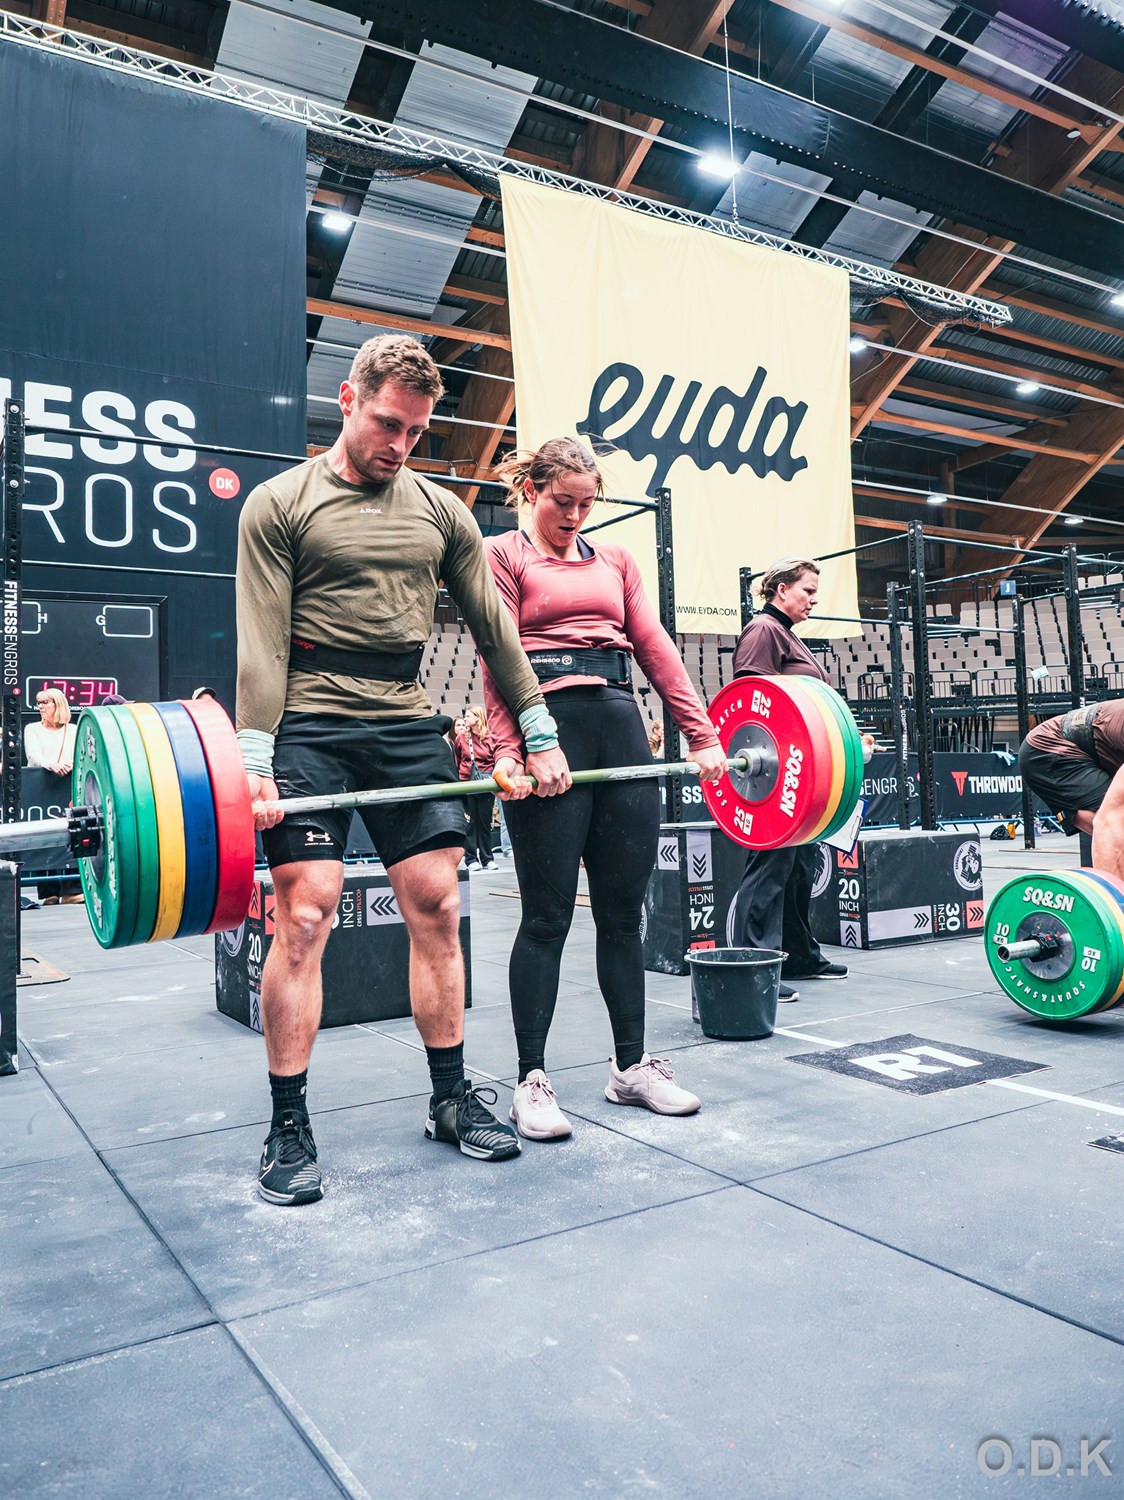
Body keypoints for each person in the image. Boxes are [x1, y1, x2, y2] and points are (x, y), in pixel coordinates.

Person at [236, 333, 570, 1206]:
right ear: (347, 400)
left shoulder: (442, 512)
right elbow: (262, 643)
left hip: (401, 715)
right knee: (304, 916)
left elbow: (495, 628)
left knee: (438, 905)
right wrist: (255, 756)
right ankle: (288, 1122)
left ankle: (450, 1099)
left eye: (417, 431)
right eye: (389, 423)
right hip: (308, 722)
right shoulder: (279, 503)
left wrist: (538, 731)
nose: (402, 443)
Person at [482, 437, 727, 1142]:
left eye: (587, 504)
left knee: (623, 916)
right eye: (563, 501)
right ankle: (530, 1079)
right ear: (530, 489)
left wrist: (701, 734)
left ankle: (630, 1068)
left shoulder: (615, 559)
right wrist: (513, 749)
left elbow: (654, 646)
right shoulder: (503, 554)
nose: (575, 515)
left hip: (620, 727)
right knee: (546, 917)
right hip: (546, 727)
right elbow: (499, 654)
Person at [729, 559, 849, 1001]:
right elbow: (751, 699)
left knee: (798, 868)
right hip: (776, 774)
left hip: (802, 769)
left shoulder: (787, 633)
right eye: (807, 591)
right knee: (770, 867)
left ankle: (798, 956)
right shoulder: (763, 629)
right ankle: (755, 964)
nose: (814, 600)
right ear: (781, 590)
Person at [1018, 700, 1124, 871]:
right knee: (1114, 824)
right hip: (1048, 750)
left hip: (1084, 749)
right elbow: (1106, 820)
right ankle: (1109, 886)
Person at [24, 689, 83, 904]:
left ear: (58, 704)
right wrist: (53, 765)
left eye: (45, 702)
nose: (40, 707)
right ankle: (48, 892)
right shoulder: (32, 729)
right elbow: (33, 755)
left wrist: (69, 764)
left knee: (72, 833)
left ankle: (70, 890)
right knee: (43, 834)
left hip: (67, 786)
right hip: (41, 787)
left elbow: (80, 754)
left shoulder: (73, 730)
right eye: (39, 703)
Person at [454, 704, 498, 870]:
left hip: (486, 783)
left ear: (478, 718)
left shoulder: (490, 737)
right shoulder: (462, 738)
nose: (465, 719)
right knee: (471, 822)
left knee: (485, 821)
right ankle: (471, 859)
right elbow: (457, 760)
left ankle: (487, 858)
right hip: (467, 783)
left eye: (468, 716)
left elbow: (494, 759)